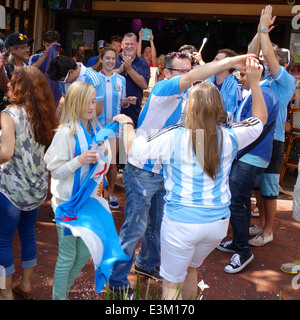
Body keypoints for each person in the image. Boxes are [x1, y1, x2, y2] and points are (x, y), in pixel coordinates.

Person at [112, 57, 268, 300]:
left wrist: (127, 122)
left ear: (192, 106)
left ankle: (140, 269)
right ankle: (129, 273)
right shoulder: (229, 137)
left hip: (181, 219)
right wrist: (255, 83)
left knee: (170, 283)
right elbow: (260, 120)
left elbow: (131, 148)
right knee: (178, 259)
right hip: (215, 222)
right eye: (184, 72)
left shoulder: (175, 136)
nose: (191, 76)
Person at [44, 81, 111, 300]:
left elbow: (107, 162)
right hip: (67, 203)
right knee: (67, 255)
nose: (93, 106)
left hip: (88, 203)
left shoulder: (97, 129)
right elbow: (55, 171)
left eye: (94, 101)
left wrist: (103, 157)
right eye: (87, 102)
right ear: (75, 103)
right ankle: (59, 297)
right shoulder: (65, 133)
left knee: (83, 253)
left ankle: (60, 294)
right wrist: (79, 160)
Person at [0, 66, 58, 300]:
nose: (7, 85)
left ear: (19, 87)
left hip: (11, 190)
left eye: (12, 81)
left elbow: (5, 153)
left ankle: (5, 293)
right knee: (27, 236)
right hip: (36, 189)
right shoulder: (45, 115)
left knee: (3, 240)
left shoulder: (9, 115)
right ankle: (25, 286)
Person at [217, 58, 279, 273]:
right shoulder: (258, 92)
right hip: (246, 155)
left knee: (236, 200)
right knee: (239, 200)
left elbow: (254, 128)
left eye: (242, 75)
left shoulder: (266, 94)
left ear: (256, 73)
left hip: (252, 156)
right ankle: (238, 243)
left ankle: (243, 251)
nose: (239, 78)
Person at [247, 5, 296, 246]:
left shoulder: (285, 81)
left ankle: (268, 231)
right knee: (257, 187)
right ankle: (260, 224)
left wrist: (266, 30)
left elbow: (265, 55)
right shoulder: (264, 80)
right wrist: (259, 31)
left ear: (283, 63)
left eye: (272, 58)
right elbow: (250, 52)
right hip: (256, 137)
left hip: (273, 141)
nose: (266, 61)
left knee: (268, 188)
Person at [92, 47, 136, 210]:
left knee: (111, 162)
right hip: (96, 127)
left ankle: (109, 194)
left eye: (113, 59)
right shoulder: (95, 78)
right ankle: (96, 195)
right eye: (108, 58)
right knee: (96, 161)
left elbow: (121, 101)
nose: (111, 61)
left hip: (114, 127)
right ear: (101, 59)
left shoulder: (120, 80)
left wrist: (127, 101)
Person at [114, 32, 150, 127]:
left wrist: (129, 69)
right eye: (127, 44)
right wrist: (120, 70)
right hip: (112, 113)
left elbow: (144, 85)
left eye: (132, 44)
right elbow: (104, 77)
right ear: (122, 45)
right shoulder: (113, 59)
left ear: (137, 45)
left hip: (133, 114)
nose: (129, 46)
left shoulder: (143, 63)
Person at [0, 33, 34, 110]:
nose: (28, 50)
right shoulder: (4, 66)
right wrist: (1, 71)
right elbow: (7, 89)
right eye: (23, 47)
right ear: (12, 50)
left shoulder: (27, 66)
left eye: (27, 46)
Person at [29, 30, 62, 107]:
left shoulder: (61, 60)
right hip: (39, 94)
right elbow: (30, 72)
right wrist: (45, 56)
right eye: (48, 46)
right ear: (43, 43)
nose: (50, 49)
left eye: (52, 46)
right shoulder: (35, 57)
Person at [206, 48, 239, 123]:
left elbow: (232, 116)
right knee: (197, 134)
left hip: (222, 129)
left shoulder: (236, 87)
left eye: (216, 60)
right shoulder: (205, 82)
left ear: (227, 65)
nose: (212, 62)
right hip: (201, 127)